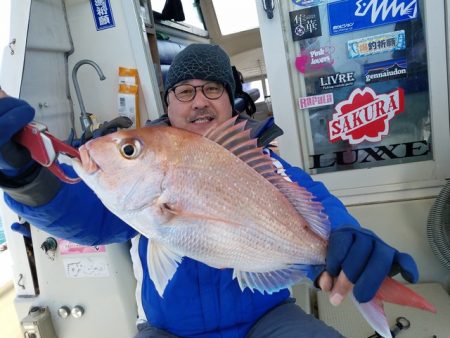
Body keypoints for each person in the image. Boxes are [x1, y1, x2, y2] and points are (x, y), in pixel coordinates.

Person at [0, 44, 418, 338]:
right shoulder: (139, 177)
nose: (198, 101)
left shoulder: (264, 163)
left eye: (212, 89)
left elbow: (317, 204)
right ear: (170, 102)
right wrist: (24, 174)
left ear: (230, 101)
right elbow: (84, 216)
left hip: (266, 318)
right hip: (167, 330)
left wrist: (347, 241)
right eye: (185, 91)